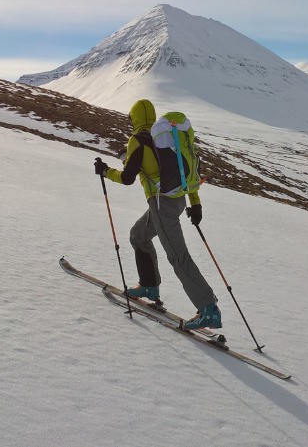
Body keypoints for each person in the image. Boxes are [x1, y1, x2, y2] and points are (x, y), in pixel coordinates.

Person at [94, 99, 221, 330]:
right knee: (138, 235)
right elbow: (182, 171)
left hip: (162, 206)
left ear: (134, 119)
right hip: (176, 200)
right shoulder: (163, 139)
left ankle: (208, 309)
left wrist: (104, 171)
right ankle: (149, 286)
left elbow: (127, 178)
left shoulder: (137, 141)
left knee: (178, 256)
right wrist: (195, 203)